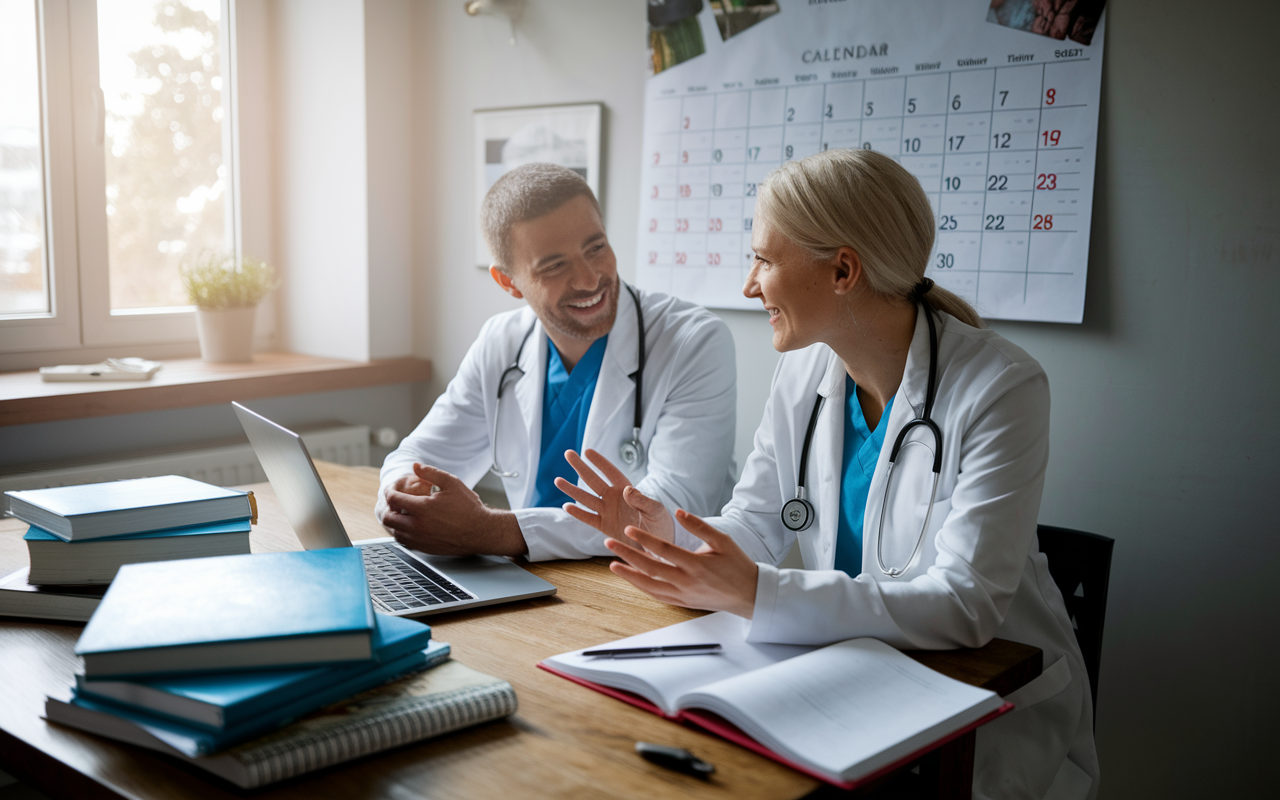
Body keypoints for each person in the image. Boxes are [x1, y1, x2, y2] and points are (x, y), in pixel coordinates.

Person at [561, 149, 1099, 799]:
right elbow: (756, 523)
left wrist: (762, 594)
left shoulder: (1000, 388)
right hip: (852, 682)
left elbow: (967, 605)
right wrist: (670, 530)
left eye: (763, 259)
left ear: (843, 270)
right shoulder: (807, 371)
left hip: (979, 713)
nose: (748, 285)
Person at [377, 163, 736, 561]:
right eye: (554, 266)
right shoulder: (502, 341)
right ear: (509, 282)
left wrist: (489, 531)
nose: (589, 279)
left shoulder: (692, 341)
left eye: (596, 247)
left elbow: (671, 511)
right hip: (536, 581)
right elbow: (417, 455)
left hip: (656, 584)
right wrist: (402, 495)